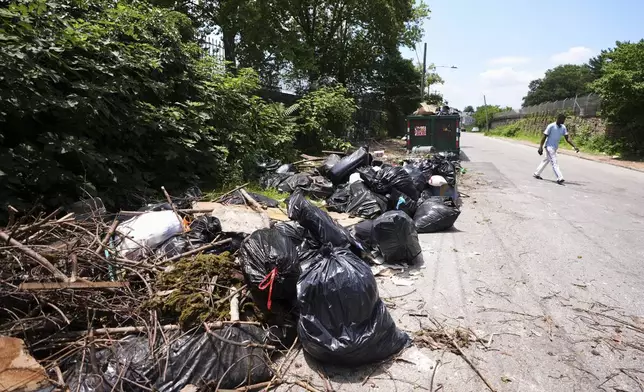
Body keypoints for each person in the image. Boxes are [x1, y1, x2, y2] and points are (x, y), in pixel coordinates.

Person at [533, 114, 579, 184]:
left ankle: (537, 173)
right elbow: (544, 137)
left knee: (547, 160)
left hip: (555, 147)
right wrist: (540, 147)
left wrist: (574, 146)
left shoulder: (563, 127)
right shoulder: (551, 126)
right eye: (563, 119)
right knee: (554, 162)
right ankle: (560, 178)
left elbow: (567, 138)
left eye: (564, 120)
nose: (564, 121)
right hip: (549, 146)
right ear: (559, 119)